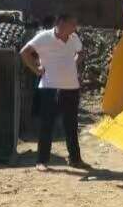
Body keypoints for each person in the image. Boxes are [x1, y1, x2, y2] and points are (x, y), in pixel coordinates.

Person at [20, 12, 90, 171]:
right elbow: (24, 52)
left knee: (71, 125)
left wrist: (74, 63)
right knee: (47, 125)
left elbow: (80, 52)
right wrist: (36, 70)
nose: (75, 27)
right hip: (49, 87)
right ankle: (42, 161)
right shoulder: (44, 37)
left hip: (71, 87)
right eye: (72, 24)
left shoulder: (74, 38)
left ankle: (75, 159)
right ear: (61, 23)